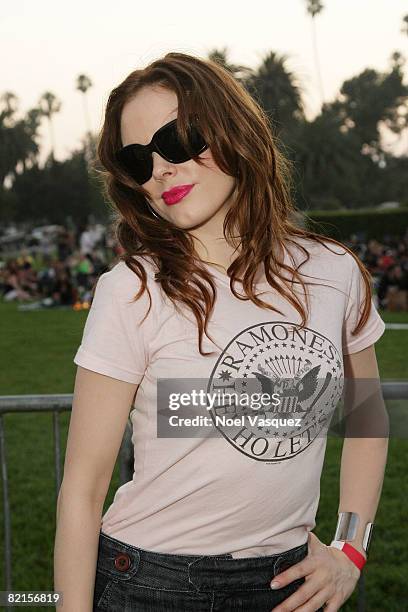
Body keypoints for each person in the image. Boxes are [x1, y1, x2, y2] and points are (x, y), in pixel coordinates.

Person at [54, 52, 389, 612]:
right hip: (149, 583)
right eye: (138, 161)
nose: (160, 168)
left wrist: (351, 549)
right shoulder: (132, 289)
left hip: (292, 583)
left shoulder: (333, 272)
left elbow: (368, 417)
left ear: (232, 127)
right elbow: (81, 492)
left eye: (179, 139)